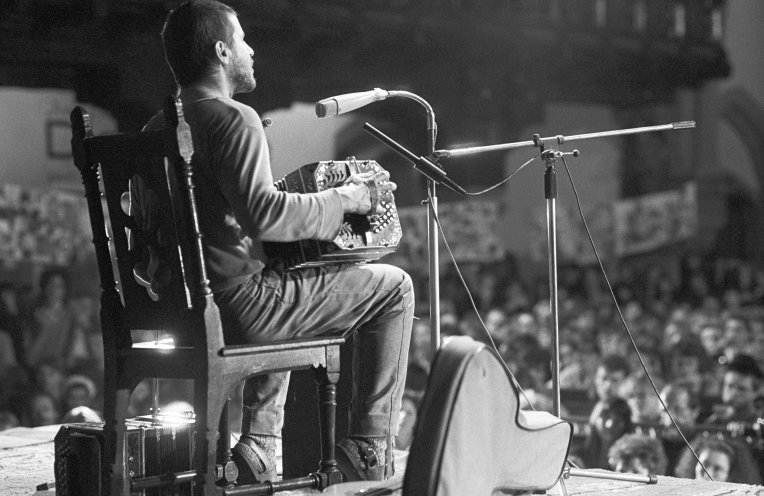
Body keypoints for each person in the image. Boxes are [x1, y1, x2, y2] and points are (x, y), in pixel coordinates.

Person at [156, 1, 414, 483]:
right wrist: (344, 200)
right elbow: (266, 216)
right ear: (221, 51)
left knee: (284, 276)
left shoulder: (158, 128)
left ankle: (259, 447)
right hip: (237, 310)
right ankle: (371, 448)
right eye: (243, 39)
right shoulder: (233, 119)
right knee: (394, 286)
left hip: (177, 310)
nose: (251, 50)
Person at [582, 354, 633, 469]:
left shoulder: (625, 410)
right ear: (596, 379)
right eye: (604, 378)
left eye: (615, 380)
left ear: (625, 382)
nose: (608, 386)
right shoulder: (600, 406)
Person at [705, 353, 762, 424]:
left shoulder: (760, 425)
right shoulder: (712, 423)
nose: (734, 393)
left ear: (755, 392)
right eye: (730, 386)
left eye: (741, 389)